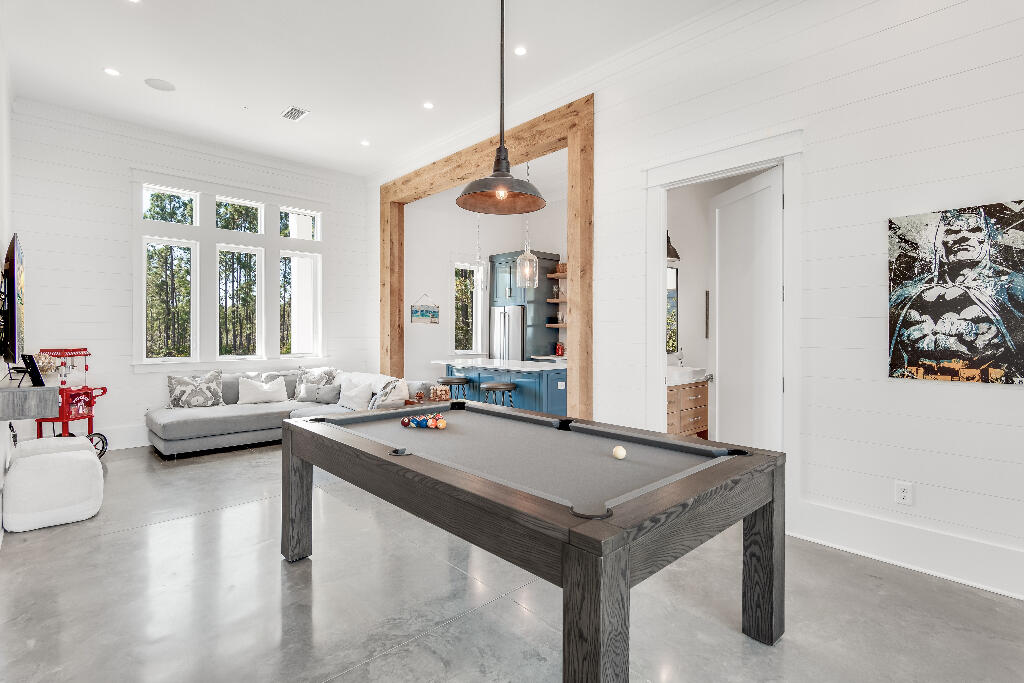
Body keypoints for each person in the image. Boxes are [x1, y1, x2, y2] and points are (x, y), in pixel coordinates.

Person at [889, 208, 1024, 382]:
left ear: (986, 238)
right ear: (939, 240)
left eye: (974, 230)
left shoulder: (1011, 284)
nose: (963, 236)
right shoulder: (907, 292)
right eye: (953, 231)